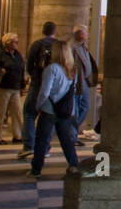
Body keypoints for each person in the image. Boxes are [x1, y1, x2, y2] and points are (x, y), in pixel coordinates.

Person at [29, 38, 84, 178]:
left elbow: (45, 91)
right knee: (66, 140)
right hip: (65, 110)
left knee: (42, 140)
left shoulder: (52, 68)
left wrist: (38, 105)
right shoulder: (72, 69)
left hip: (49, 109)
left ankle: (36, 170)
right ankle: (73, 165)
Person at [19, 21, 57, 160]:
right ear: (55, 31)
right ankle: (45, 147)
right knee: (48, 117)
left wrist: (35, 76)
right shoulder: (59, 45)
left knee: (29, 113)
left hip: (37, 82)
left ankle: (28, 145)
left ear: (43, 30)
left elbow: (29, 65)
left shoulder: (36, 44)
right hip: (53, 86)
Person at [0, 32, 25, 144]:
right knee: (0, 113)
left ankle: (17, 135)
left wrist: (21, 86)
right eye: (14, 42)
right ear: (8, 43)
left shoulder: (17, 55)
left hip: (15, 88)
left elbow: (21, 70)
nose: (17, 44)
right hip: (2, 88)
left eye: (17, 41)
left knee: (17, 112)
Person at [71, 25, 99, 145]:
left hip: (85, 83)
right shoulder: (72, 47)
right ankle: (72, 134)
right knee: (77, 108)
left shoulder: (83, 47)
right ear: (81, 34)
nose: (87, 35)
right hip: (77, 83)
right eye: (86, 33)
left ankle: (71, 130)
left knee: (85, 107)